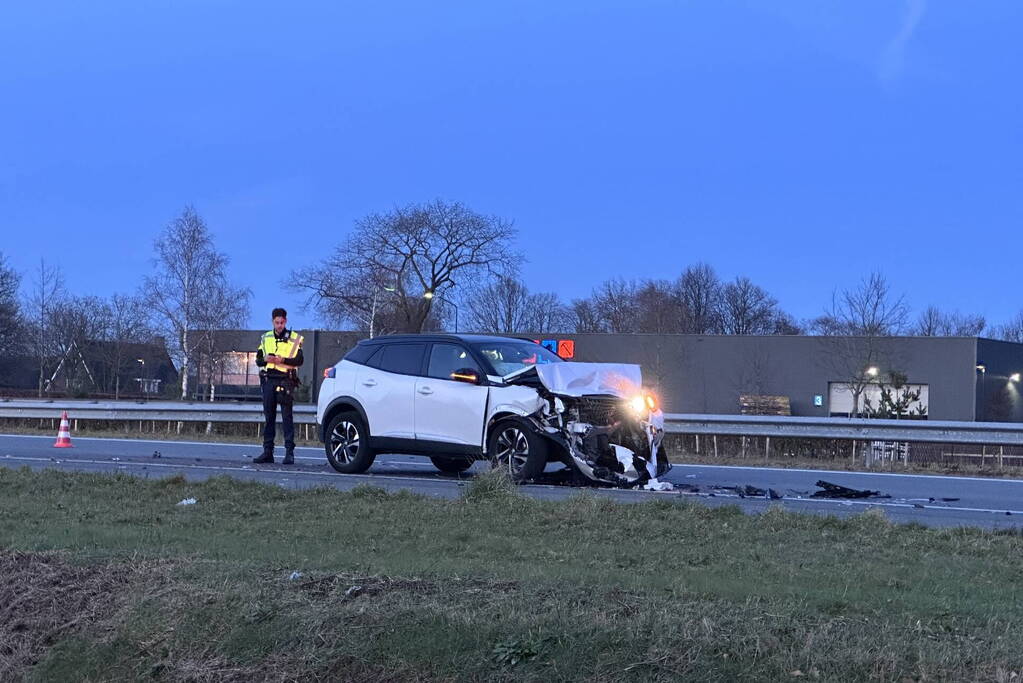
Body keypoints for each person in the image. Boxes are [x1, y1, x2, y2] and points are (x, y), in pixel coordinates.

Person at [253, 308, 304, 464]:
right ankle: (268, 452)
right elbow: (258, 360)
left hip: (285, 380)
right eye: (277, 322)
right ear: (272, 321)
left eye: (282, 322)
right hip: (269, 379)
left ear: (285, 321)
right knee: (269, 417)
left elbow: (299, 361)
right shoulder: (266, 337)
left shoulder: (294, 338)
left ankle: (289, 453)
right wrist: (267, 359)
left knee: (287, 417)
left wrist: (283, 361)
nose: (279, 325)